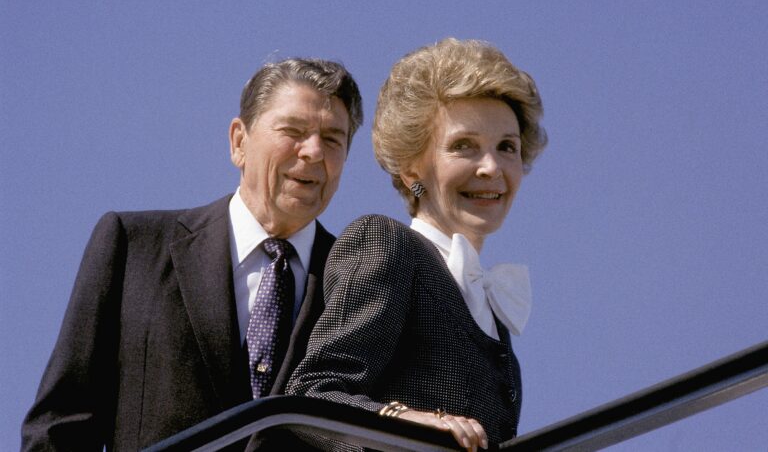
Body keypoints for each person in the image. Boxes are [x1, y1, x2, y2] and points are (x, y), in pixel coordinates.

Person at [21, 58, 363, 451]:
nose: (314, 151)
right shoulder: (133, 246)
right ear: (239, 142)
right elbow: (60, 425)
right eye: (293, 131)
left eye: (333, 139)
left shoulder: (361, 281)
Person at [286, 38, 547, 450]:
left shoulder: (491, 311)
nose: (491, 167)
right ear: (411, 171)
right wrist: (400, 421)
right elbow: (313, 396)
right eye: (464, 146)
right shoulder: (386, 242)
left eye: (507, 147)